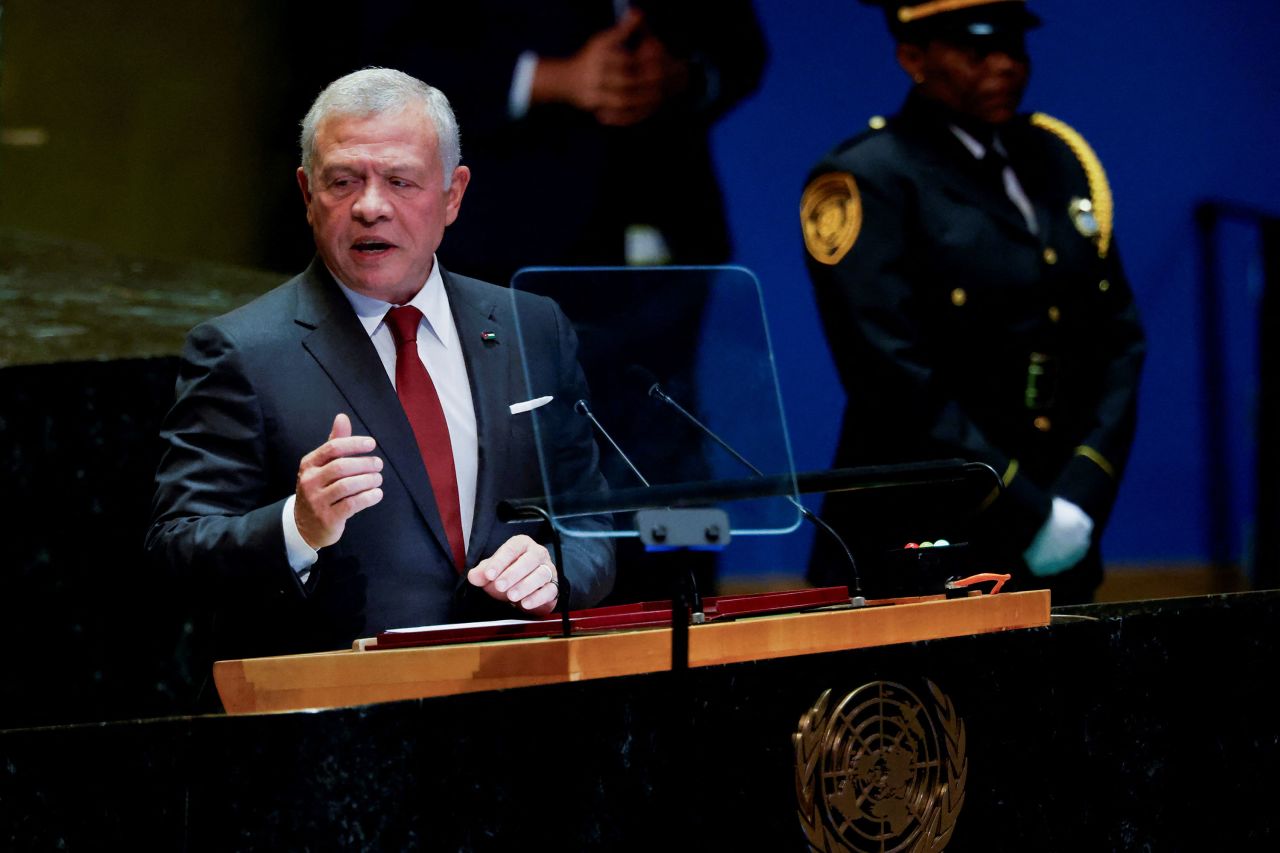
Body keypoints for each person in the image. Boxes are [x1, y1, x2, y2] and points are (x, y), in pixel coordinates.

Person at [147, 69, 614, 672]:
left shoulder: (533, 327)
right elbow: (177, 548)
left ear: (453, 194)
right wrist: (299, 524)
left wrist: (555, 568)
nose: (370, 206)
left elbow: (588, 520)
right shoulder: (242, 351)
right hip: (340, 725)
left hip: (515, 699)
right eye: (343, 181)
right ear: (307, 192)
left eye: (400, 180)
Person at [802, 0, 1145, 604]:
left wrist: (1081, 494)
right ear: (913, 57)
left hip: (1062, 528)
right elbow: (891, 376)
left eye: (1015, 48)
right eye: (978, 50)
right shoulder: (868, 178)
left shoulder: (1058, 160)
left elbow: (1117, 337)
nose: (1005, 67)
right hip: (924, 537)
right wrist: (1025, 509)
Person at [353, 0, 768, 285]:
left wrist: (682, 75)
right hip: (504, 243)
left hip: (673, 232)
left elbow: (742, 49)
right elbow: (382, 52)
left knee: (661, 405)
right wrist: (547, 78)